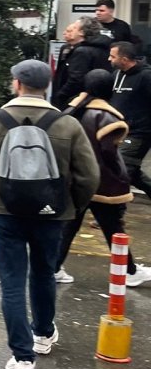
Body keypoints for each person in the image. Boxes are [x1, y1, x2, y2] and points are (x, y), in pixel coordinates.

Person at [0, 60, 99, 369]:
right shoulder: (67, 125)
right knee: (44, 273)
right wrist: (70, 206)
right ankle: (44, 334)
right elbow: (90, 176)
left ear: (16, 83)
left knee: (12, 283)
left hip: (6, 213)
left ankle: (22, 358)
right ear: (46, 86)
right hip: (52, 215)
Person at [55, 69, 151, 286]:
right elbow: (109, 153)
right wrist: (121, 175)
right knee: (113, 227)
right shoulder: (107, 117)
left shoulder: (72, 111)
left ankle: (53, 267)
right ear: (110, 90)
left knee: (69, 226)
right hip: (102, 183)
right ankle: (130, 271)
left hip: (74, 180)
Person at [109, 41, 151, 201]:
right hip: (118, 131)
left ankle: (114, 215)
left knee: (122, 171)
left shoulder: (146, 76)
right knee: (131, 173)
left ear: (124, 59)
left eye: (112, 56)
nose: (109, 59)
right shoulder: (116, 75)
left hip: (138, 133)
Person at [50, 17, 111, 108]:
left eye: (74, 28)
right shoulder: (102, 48)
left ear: (82, 32)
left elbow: (76, 79)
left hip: (75, 102)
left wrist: (60, 95)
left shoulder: (82, 51)